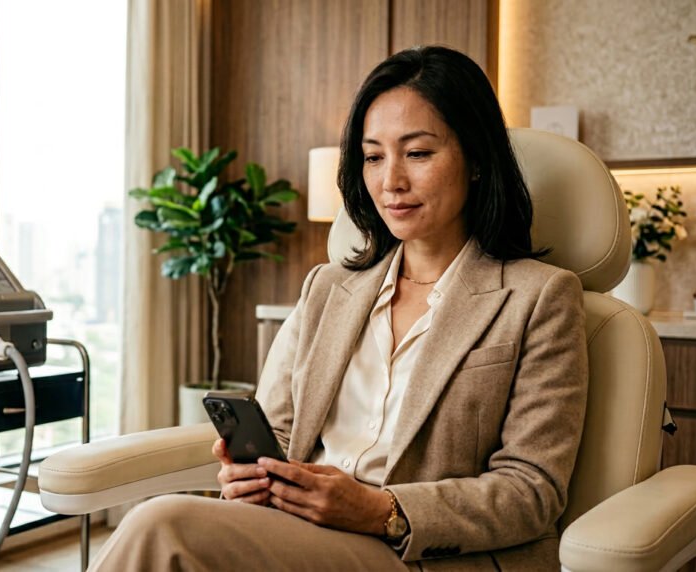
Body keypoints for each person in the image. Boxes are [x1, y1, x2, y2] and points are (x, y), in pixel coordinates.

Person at [91, 45, 588, 571]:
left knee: (161, 525)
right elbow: (280, 434)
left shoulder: (540, 297)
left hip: (415, 554)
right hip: (298, 532)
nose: (390, 181)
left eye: (417, 153)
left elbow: (531, 489)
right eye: (373, 156)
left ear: (478, 162)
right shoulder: (328, 288)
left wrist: (381, 510)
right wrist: (253, 475)